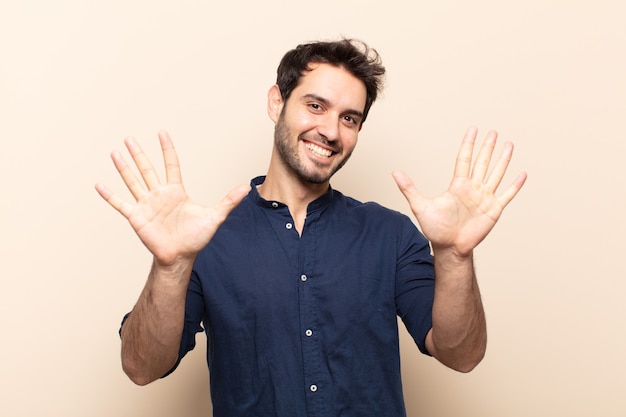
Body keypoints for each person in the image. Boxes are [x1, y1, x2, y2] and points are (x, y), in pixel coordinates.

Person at [95, 38, 527, 416]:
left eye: (349, 118)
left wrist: (455, 256)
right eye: (316, 105)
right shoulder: (205, 240)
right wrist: (170, 266)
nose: (330, 131)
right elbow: (141, 367)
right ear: (276, 102)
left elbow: (462, 354)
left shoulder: (391, 234)